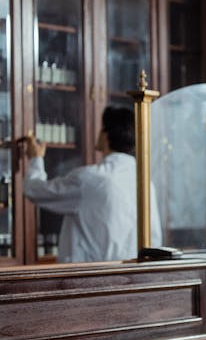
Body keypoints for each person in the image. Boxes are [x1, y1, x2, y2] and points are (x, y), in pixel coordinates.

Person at [21, 105, 162, 262]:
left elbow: (34, 190)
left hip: (88, 279)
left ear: (106, 136)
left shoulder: (89, 179)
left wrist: (36, 158)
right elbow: (154, 238)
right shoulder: (145, 183)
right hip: (132, 277)